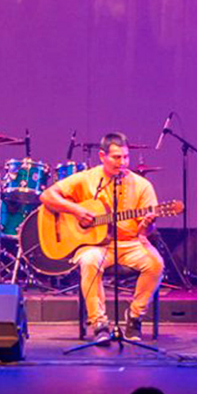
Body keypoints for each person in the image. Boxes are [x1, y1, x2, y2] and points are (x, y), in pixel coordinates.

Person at [40, 132, 163, 341]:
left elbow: (146, 232)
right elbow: (46, 196)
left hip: (131, 243)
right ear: (102, 156)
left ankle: (134, 316)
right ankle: (99, 322)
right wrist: (76, 210)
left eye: (126, 157)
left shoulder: (142, 185)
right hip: (95, 245)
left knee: (156, 264)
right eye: (116, 157)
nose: (122, 162)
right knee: (89, 261)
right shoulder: (86, 179)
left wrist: (147, 225)